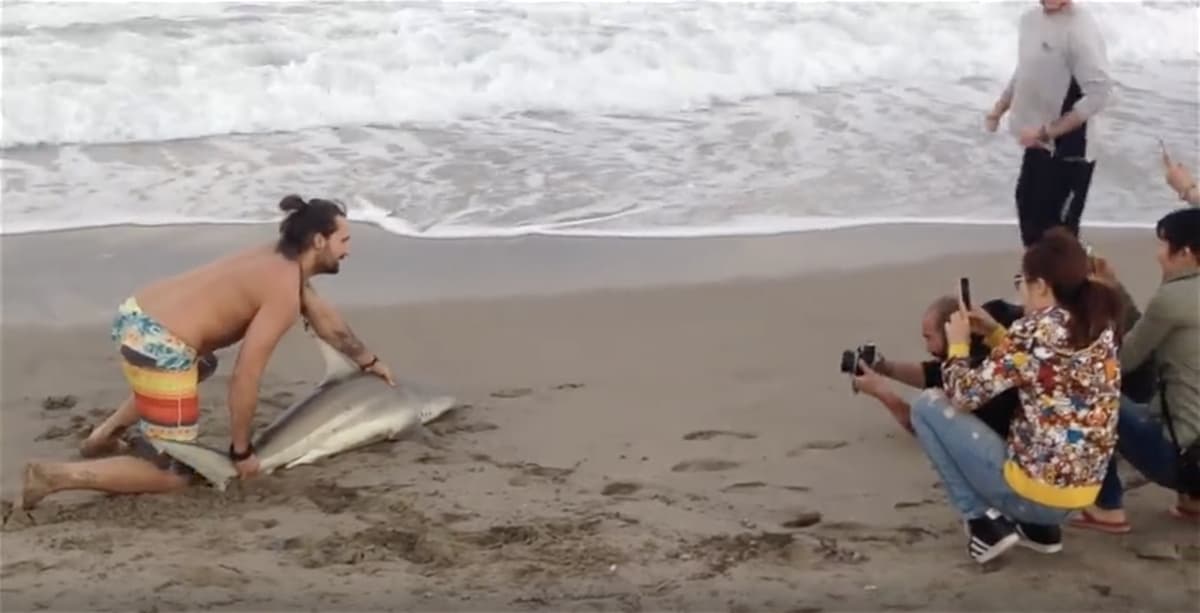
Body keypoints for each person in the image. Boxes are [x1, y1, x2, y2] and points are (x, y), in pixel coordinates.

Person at [17, 195, 396, 510]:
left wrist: (368, 362)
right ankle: (56, 476)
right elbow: (246, 376)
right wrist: (242, 450)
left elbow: (325, 318)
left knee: (201, 365)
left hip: (135, 314)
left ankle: (102, 437)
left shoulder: (276, 259)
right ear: (318, 241)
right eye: (344, 240)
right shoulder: (282, 290)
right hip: (159, 345)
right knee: (175, 472)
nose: (349, 250)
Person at [909, 227, 1124, 564]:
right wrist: (994, 332)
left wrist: (958, 345)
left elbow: (964, 394)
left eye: (1021, 282)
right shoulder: (1098, 326)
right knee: (1030, 411)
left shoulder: (1033, 330)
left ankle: (981, 522)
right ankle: (1038, 530)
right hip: (1082, 492)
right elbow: (1041, 366)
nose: (1020, 291)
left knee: (928, 406)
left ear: (1041, 285)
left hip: (1039, 495)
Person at [1070, 207, 1200, 533]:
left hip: (1181, 462)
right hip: (1195, 458)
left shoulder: (1173, 298)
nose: (1158, 255)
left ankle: (1107, 506)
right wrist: (1115, 287)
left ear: (1184, 252)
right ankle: (1193, 501)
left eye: (1162, 244)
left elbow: (1121, 361)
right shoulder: (1180, 295)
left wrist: (1102, 297)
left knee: (1087, 390)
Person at [985, 0, 1114, 247]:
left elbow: (1100, 92)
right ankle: (1038, 281)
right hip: (1038, 144)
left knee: (1058, 237)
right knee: (1028, 211)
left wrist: (1046, 132)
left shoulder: (1080, 29)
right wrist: (999, 108)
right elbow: (1024, 70)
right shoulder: (1030, 20)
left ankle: (1065, 282)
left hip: (1071, 150)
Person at [852, 296, 1023, 439]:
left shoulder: (978, 374)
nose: (927, 348)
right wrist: (885, 368)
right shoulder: (998, 319)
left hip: (1008, 451)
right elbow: (934, 373)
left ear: (950, 330)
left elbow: (926, 426)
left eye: (929, 338)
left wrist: (882, 393)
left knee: (928, 403)